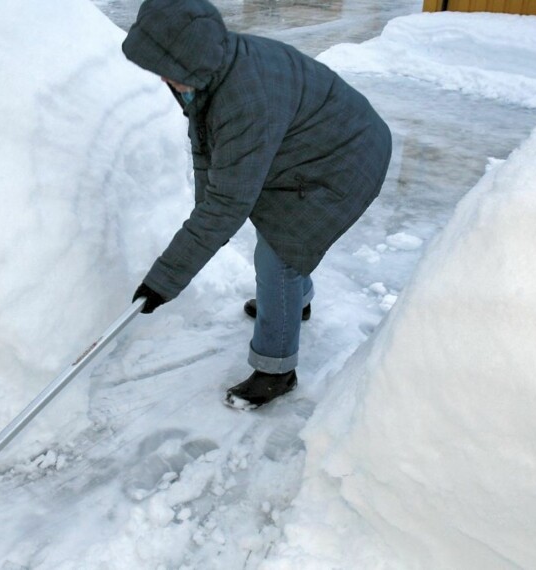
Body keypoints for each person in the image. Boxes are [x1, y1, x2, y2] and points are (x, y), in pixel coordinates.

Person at [123, 0, 392, 409]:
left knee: (279, 254)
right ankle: (292, 304)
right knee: (278, 241)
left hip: (346, 160)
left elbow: (227, 205)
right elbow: (208, 151)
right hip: (317, 145)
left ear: (187, 57)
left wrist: (164, 280)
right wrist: (204, 210)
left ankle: (275, 371)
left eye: (166, 66)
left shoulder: (244, 98)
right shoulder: (214, 68)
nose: (161, 75)